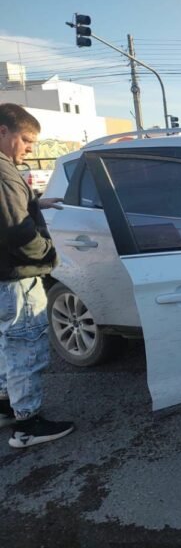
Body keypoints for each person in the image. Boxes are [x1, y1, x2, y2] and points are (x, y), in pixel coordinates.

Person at [0, 103, 73, 448]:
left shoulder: (6, 171)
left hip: (5, 276)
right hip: (16, 277)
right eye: (27, 140)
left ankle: (7, 406)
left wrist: (33, 202)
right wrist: (48, 253)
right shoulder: (3, 173)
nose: (30, 148)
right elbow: (17, 233)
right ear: (4, 131)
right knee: (26, 347)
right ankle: (27, 425)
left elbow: (8, 212)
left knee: (9, 344)